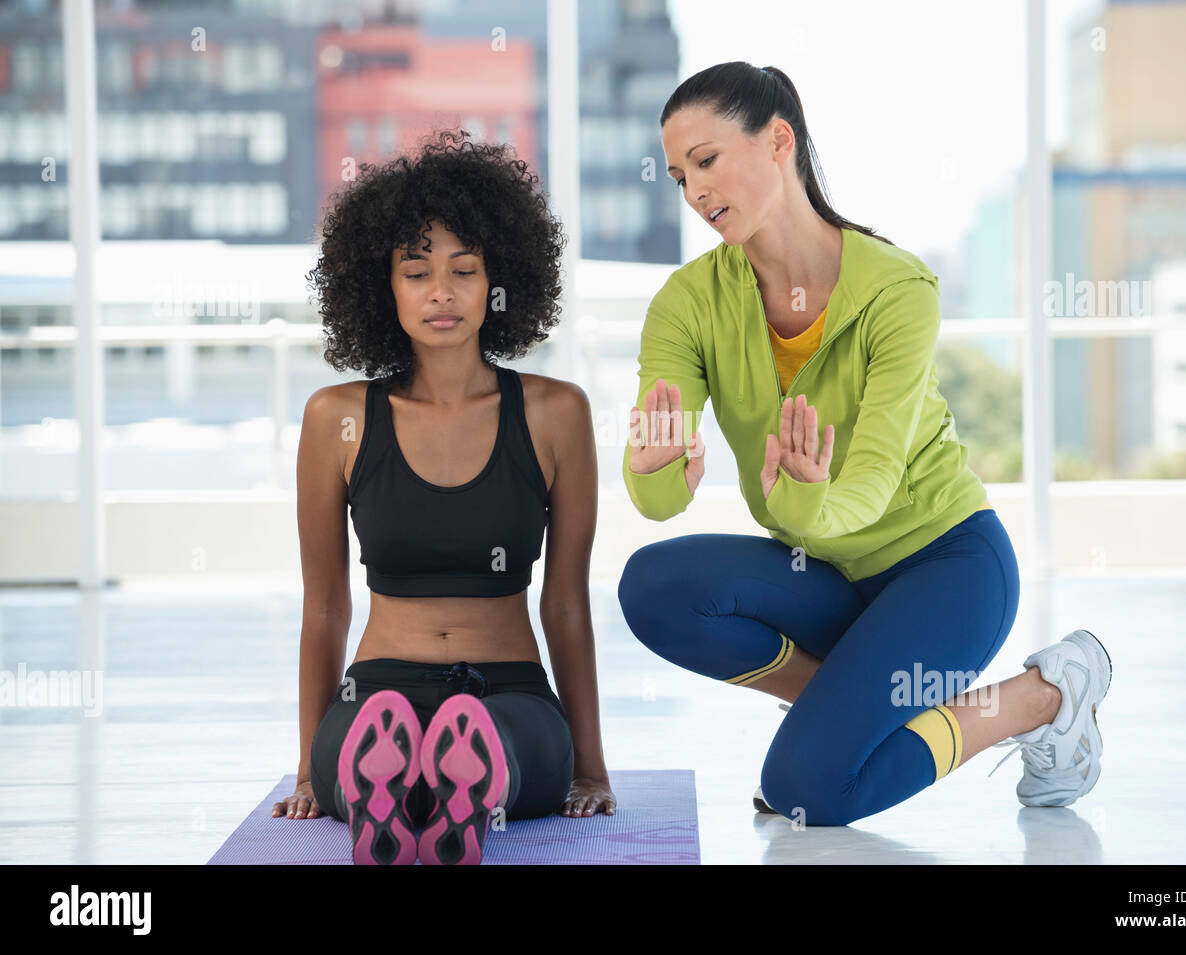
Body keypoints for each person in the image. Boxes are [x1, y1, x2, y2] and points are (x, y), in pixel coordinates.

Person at [618, 61, 1112, 826]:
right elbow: (657, 497)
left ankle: (1038, 697)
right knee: (650, 587)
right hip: (823, 575)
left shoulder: (896, 290)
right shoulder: (688, 304)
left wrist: (810, 496)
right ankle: (852, 703)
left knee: (806, 790)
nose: (694, 192)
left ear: (779, 140)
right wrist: (650, 472)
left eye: (708, 161)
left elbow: (874, 481)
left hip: (945, 569)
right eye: (679, 176)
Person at [272, 130, 616, 864]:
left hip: (511, 691)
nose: (441, 292)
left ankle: (460, 776)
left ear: (499, 281)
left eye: (465, 270)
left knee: (524, 752)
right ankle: (402, 777)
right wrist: (308, 764)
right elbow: (325, 606)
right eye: (416, 270)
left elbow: (566, 602)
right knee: (354, 751)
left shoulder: (557, 413)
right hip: (376, 696)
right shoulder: (337, 418)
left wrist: (589, 762)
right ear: (381, 285)